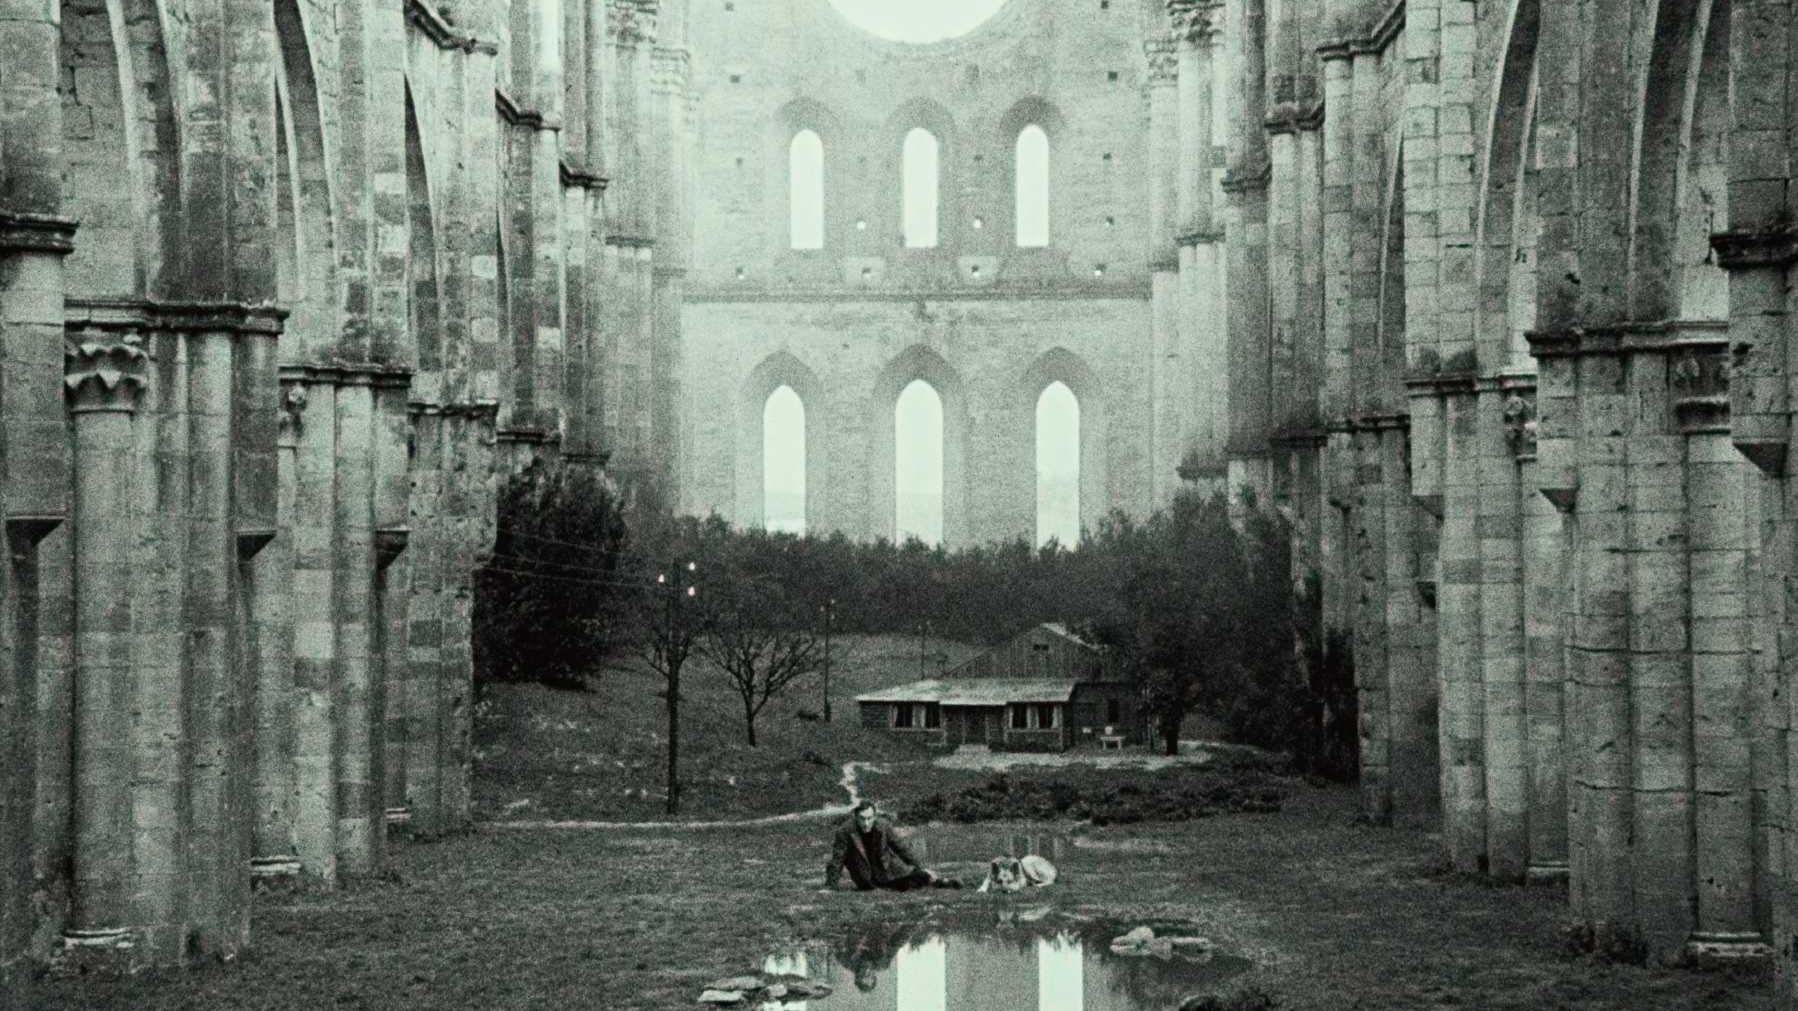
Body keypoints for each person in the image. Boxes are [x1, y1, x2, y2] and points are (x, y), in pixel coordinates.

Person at [822, 801, 962, 892]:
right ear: (855, 817)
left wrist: (920, 867)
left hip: (888, 869)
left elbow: (901, 848)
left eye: (869, 818)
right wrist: (830, 886)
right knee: (897, 887)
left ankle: (943, 882)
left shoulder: (884, 826)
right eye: (862, 819)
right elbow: (837, 860)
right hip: (866, 878)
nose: (866, 823)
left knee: (914, 878)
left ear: (875, 816)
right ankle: (938, 882)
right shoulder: (844, 831)